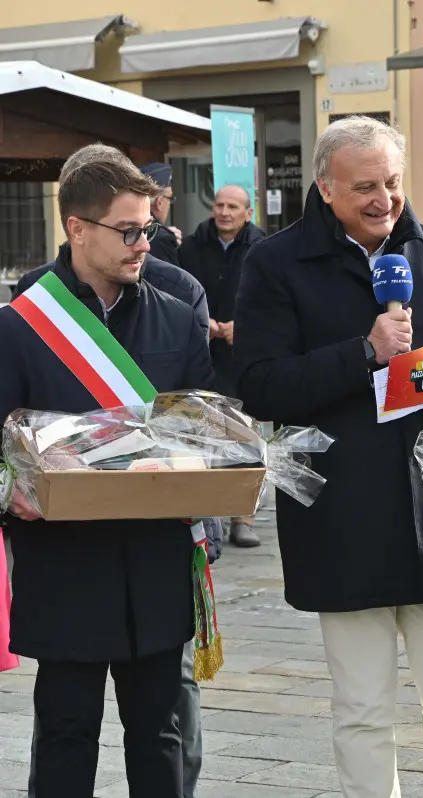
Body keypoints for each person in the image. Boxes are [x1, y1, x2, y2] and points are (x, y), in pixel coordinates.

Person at [232, 115, 423, 798]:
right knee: (363, 709)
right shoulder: (274, 263)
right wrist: (364, 353)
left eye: (392, 182)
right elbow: (260, 383)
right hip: (342, 518)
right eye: (364, 188)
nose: (384, 199)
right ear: (325, 188)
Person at [0, 144, 214, 797]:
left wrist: (206, 482)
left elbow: (203, 434)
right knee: (66, 738)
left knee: (161, 741)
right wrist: (14, 494)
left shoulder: (179, 321)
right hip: (65, 566)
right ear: (76, 228)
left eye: (147, 228)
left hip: (154, 564)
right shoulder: (17, 329)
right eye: (127, 230)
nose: (142, 244)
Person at [179, 184, 268, 549]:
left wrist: (241, 327)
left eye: (233, 206)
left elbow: (272, 300)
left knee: (246, 437)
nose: (224, 212)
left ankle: (242, 519)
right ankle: (205, 515)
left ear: (249, 213)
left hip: (246, 357)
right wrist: (206, 323)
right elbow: (178, 292)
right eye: (219, 204)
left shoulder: (264, 248)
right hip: (202, 355)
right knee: (202, 435)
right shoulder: (192, 245)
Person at [139, 162, 183, 266]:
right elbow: (171, 279)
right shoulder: (163, 238)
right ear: (160, 202)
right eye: (170, 198)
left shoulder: (127, 227)